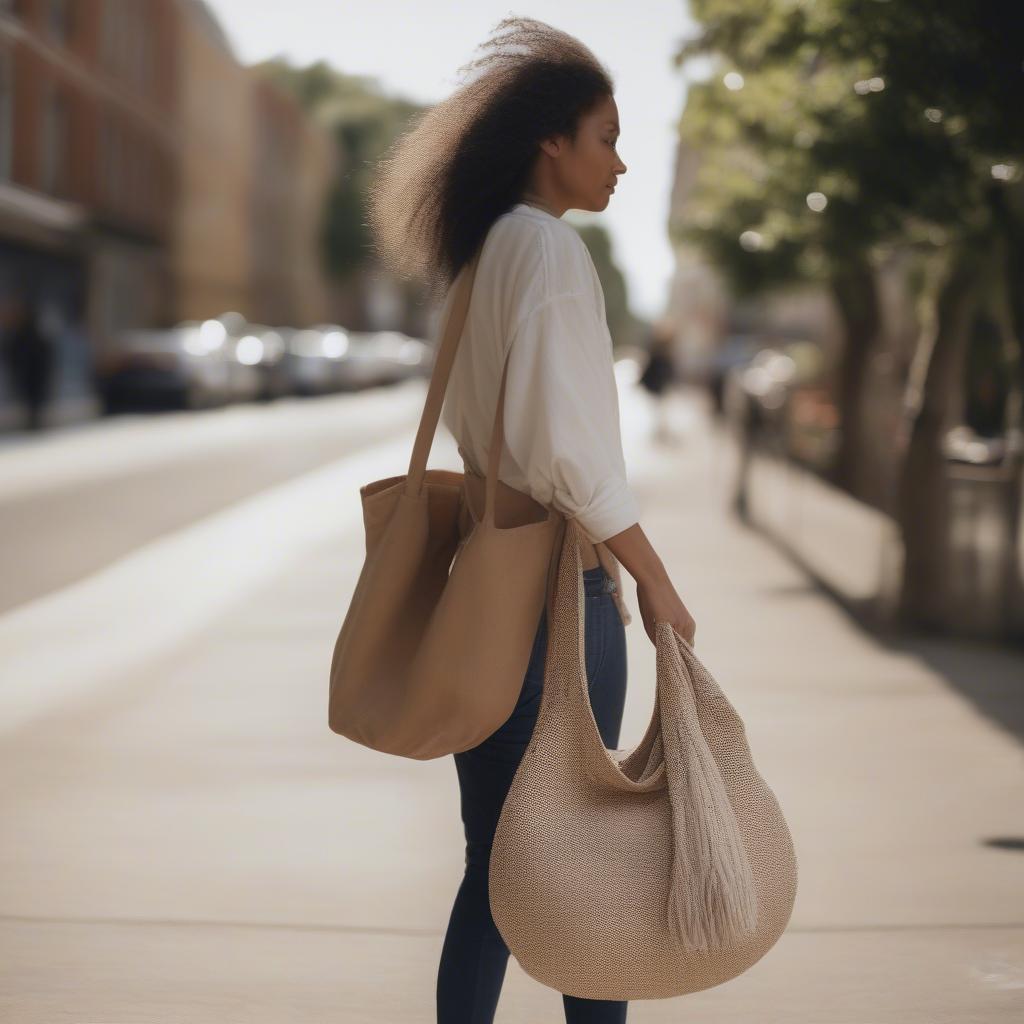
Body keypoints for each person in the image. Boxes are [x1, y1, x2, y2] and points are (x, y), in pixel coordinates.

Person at [365, 16, 697, 1023]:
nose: (621, 162)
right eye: (605, 135)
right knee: (578, 859)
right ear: (549, 141)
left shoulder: (482, 257)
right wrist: (652, 573)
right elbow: (571, 453)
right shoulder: (547, 250)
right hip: (560, 594)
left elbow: (501, 431)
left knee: (497, 870)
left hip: (489, 587)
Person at [1, 295, 55, 432]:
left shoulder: (26, 336)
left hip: (31, 377)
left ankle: (33, 426)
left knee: (33, 405)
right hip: (30, 377)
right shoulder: (24, 335)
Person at [637, 322, 677, 443]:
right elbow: (653, 369)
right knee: (659, 409)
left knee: (660, 409)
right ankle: (660, 430)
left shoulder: (664, 353)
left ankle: (661, 430)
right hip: (658, 386)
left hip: (661, 386)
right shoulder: (658, 353)